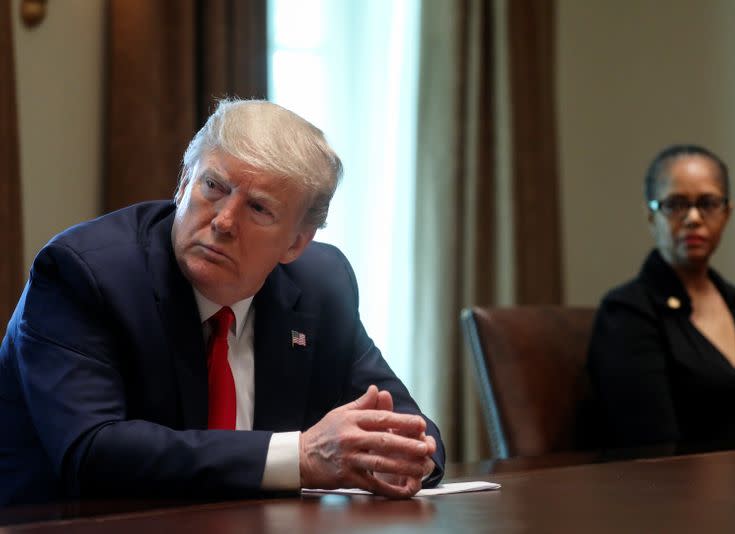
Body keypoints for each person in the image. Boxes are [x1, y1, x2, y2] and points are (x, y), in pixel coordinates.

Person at [0, 99, 445, 505]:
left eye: (258, 208)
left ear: (296, 243)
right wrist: (301, 455)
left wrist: (405, 457)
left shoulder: (320, 284)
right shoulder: (84, 275)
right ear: (182, 185)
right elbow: (92, 453)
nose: (224, 221)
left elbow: (408, 424)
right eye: (213, 186)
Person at [587, 144, 735, 458]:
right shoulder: (627, 312)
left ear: (727, 213)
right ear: (651, 217)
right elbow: (650, 446)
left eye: (708, 203)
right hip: (675, 498)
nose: (693, 218)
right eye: (675, 204)